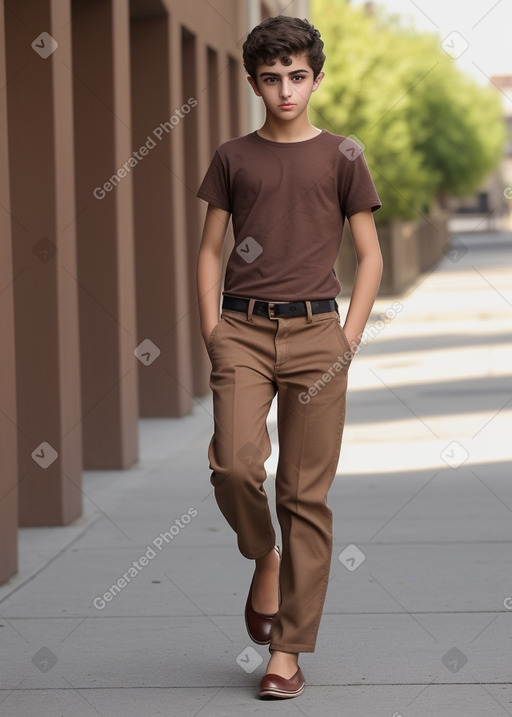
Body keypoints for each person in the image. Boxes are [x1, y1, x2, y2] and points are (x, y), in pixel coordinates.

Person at [196, 15, 382, 700]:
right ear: (252, 82)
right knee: (235, 464)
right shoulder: (233, 157)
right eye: (271, 78)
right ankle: (262, 554)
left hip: (317, 339)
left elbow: (370, 255)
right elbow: (212, 249)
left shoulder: (344, 156)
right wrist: (213, 329)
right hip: (242, 332)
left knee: (305, 496)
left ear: (316, 78)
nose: (284, 90)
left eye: (296, 76)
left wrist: (349, 337)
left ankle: (287, 651)